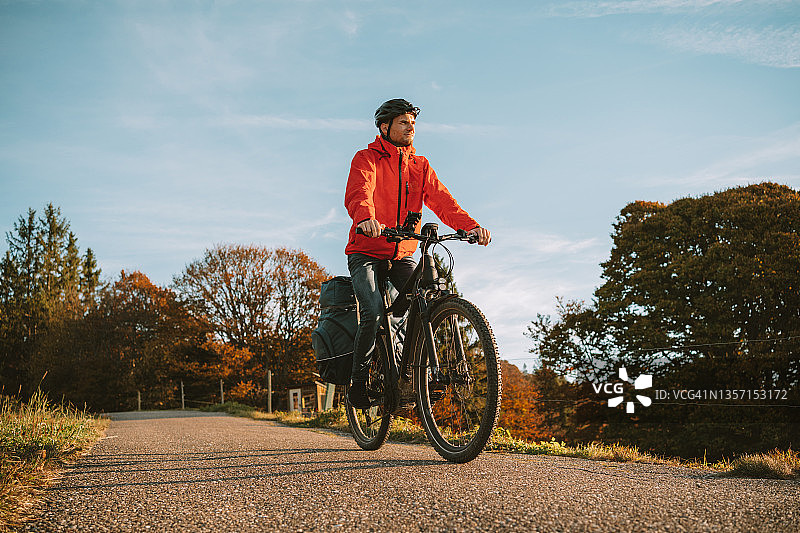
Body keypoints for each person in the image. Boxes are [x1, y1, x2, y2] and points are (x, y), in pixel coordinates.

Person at [343, 99, 490, 409]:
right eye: (403, 122)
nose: (410, 127)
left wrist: (472, 227)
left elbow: (444, 202)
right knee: (372, 312)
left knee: (417, 303)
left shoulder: (420, 166)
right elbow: (361, 192)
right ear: (385, 127)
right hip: (367, 250)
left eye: (413, 122)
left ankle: (411, 374)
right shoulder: (366, 158)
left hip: (404, 251)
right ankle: (358, 381)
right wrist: (366, 218)